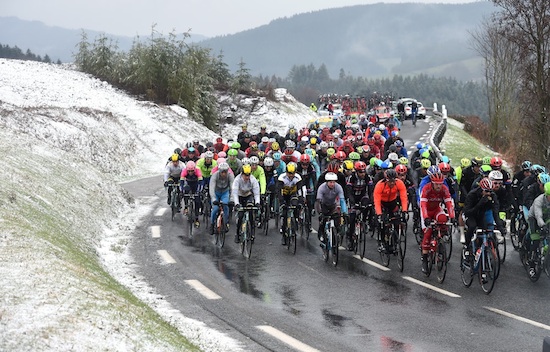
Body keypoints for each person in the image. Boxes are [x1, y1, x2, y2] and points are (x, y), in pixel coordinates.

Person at [419, 171, 455, 273]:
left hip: (436, 209)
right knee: (428, 232)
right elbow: (423, 205)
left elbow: (448, 203)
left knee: (443, 219)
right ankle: (425, 259)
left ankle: (440, 240)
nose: (439, 186)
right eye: (436, 184)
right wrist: (426, 218)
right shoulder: (426, 189)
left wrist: (452, 216)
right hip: (426, 211)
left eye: (440, 183)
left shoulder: (444, 188)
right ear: (432, 183)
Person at [462, 177, 506, 259]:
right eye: (486, 191)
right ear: (481, 189)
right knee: (472, 226)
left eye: (490, 191)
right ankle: (467, 247)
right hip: (470, 214)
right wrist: (480, 203)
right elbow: (468, 211)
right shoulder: (472, 194)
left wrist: (500, 228)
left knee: (486, 230)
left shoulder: (493, 196)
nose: (488, 194)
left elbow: (495, 213)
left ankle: (482, 252)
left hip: (481, 215)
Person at [373, 169, 408, 252]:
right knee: (382, 223)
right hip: (382, 203)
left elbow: (403, 197)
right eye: (390, 181)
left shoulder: (399, 183)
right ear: (386, 180)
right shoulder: (380, 185)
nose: (392, 183)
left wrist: (404, 210)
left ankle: (394, 242)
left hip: (392, 202)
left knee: (397, 221)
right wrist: (379, 214)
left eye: (393, 181)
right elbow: (377, 201)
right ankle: (382, 242)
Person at [277, 162, 307, 245]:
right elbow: (279, 191)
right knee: (285, 214)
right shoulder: (282, 178)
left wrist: (301, 201)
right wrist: (281, 202)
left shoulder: (298, 178)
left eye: (293, 173)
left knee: (295, 205)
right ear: (286, 172)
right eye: (289, 173)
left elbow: (300, 190)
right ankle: (284, 235)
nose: (291, 175)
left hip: (293, 194)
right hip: (284, 195)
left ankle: (295, 219)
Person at [231, 164, 261, 243]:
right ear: (242, 174)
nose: (247, 177)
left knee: (251, 214)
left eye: (248, 175)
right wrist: (236, 203)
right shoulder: (237, 180)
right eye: (245, 175)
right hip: (239, 196)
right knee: (240, 215)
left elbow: (256, 192)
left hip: (248, 195)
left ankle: (252, 234)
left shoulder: (253, 179)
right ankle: (237, 234)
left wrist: (257, 202)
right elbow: (234, 192)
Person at [315, 172, 348, 244]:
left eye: (334, 182)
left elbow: (342, 200)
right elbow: (318, 201)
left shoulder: (338, 187)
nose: (332, 184)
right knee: (323, 220)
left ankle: (336, 235)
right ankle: (321, 233)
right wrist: (320, 212)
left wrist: (345, 212)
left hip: (333, 205)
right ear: (326, 182)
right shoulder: (321, 188)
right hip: (323, 205)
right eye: (330, 182)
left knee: (337, 219)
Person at [526, 182, 550, 277]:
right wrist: (542, 226)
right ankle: (531, 264)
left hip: (547, 218)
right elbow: (538, 215)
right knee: (536, 240)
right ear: (546, 195)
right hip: (534, 219)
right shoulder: (539, 200)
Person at [209, 162, 235, 235]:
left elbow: (233, 188)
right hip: (216, 192)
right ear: (219, 171)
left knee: (225, 206)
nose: (224, 174)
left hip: (225, 192)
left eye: (225, 172)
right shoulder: (214, 175)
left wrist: (232, 199)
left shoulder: (230, 175)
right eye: (222, 172)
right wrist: (214, 199)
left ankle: (225, 223)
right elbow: (211, 188)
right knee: (215, 208)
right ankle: (212, 224)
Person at [180, 161, 203, 228]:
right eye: (189, 171)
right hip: (188, 183)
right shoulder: (184, 171)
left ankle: (196, 219)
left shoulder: (198, 171)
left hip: (196, 184)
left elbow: (201, 183)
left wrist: (199, 191)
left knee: (197, 200)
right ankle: (186, 206)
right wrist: (182, 191)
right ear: (187, 169)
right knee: (185, 192)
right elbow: (181, 182)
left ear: (194, 169)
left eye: (192, 171)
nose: (190, 172)